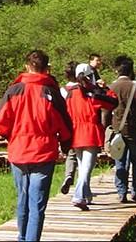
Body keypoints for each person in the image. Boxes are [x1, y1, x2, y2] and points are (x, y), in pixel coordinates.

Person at [0, 49, 74, 242]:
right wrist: (65, 144)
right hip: (44, 153)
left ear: (26, 67)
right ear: (47, 69)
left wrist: (11, 136)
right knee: (37, 205)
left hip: (18, 152)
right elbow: (65, 125)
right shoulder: (51, 93)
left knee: (22, 199)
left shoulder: (14, 90)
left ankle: (21, 237)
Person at [65, 62, 117, 210]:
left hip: (75, 131)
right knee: (87, 167)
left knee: (82, 165)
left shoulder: (69, 92)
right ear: (90, 76)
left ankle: (86, 195)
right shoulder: (94, 92)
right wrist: (104, 88)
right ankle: (78, 196)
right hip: (90, 131)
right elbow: (113, 102)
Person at [109, 55, 136, 203]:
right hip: (134, 129)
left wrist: (107, 128)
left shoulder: (111, 87)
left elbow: (106, 111)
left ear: (117, 70)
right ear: (131, 71)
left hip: (117, 129)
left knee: (120, 161)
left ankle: (121, 191)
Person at [59, 60, 78, 194]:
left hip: (68, 124)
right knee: (83, 156)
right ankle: (82, 185)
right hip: (82, 123)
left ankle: (68, 175)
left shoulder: (62, 90)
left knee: (71, 153)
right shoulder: (84, 88)